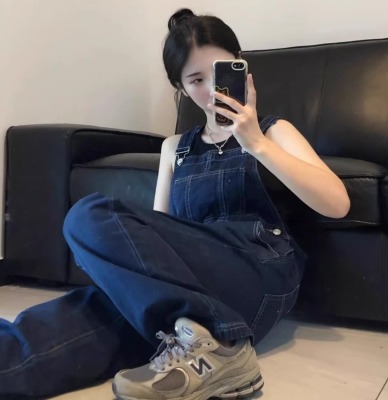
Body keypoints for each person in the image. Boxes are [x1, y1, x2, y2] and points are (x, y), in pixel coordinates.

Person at [0, 8, 350, 400]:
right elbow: (155, 243)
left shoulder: (274, 131)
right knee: (83, 313)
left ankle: (220, 343)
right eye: (196, 80)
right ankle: (210, 345)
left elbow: (337, 203)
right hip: (189, 284)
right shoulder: (174, 148)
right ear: (180, 88)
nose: (212, 89)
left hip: (259, 270)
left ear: (242, 69)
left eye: (220, 73)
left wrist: (257, 145)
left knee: (87, 214)